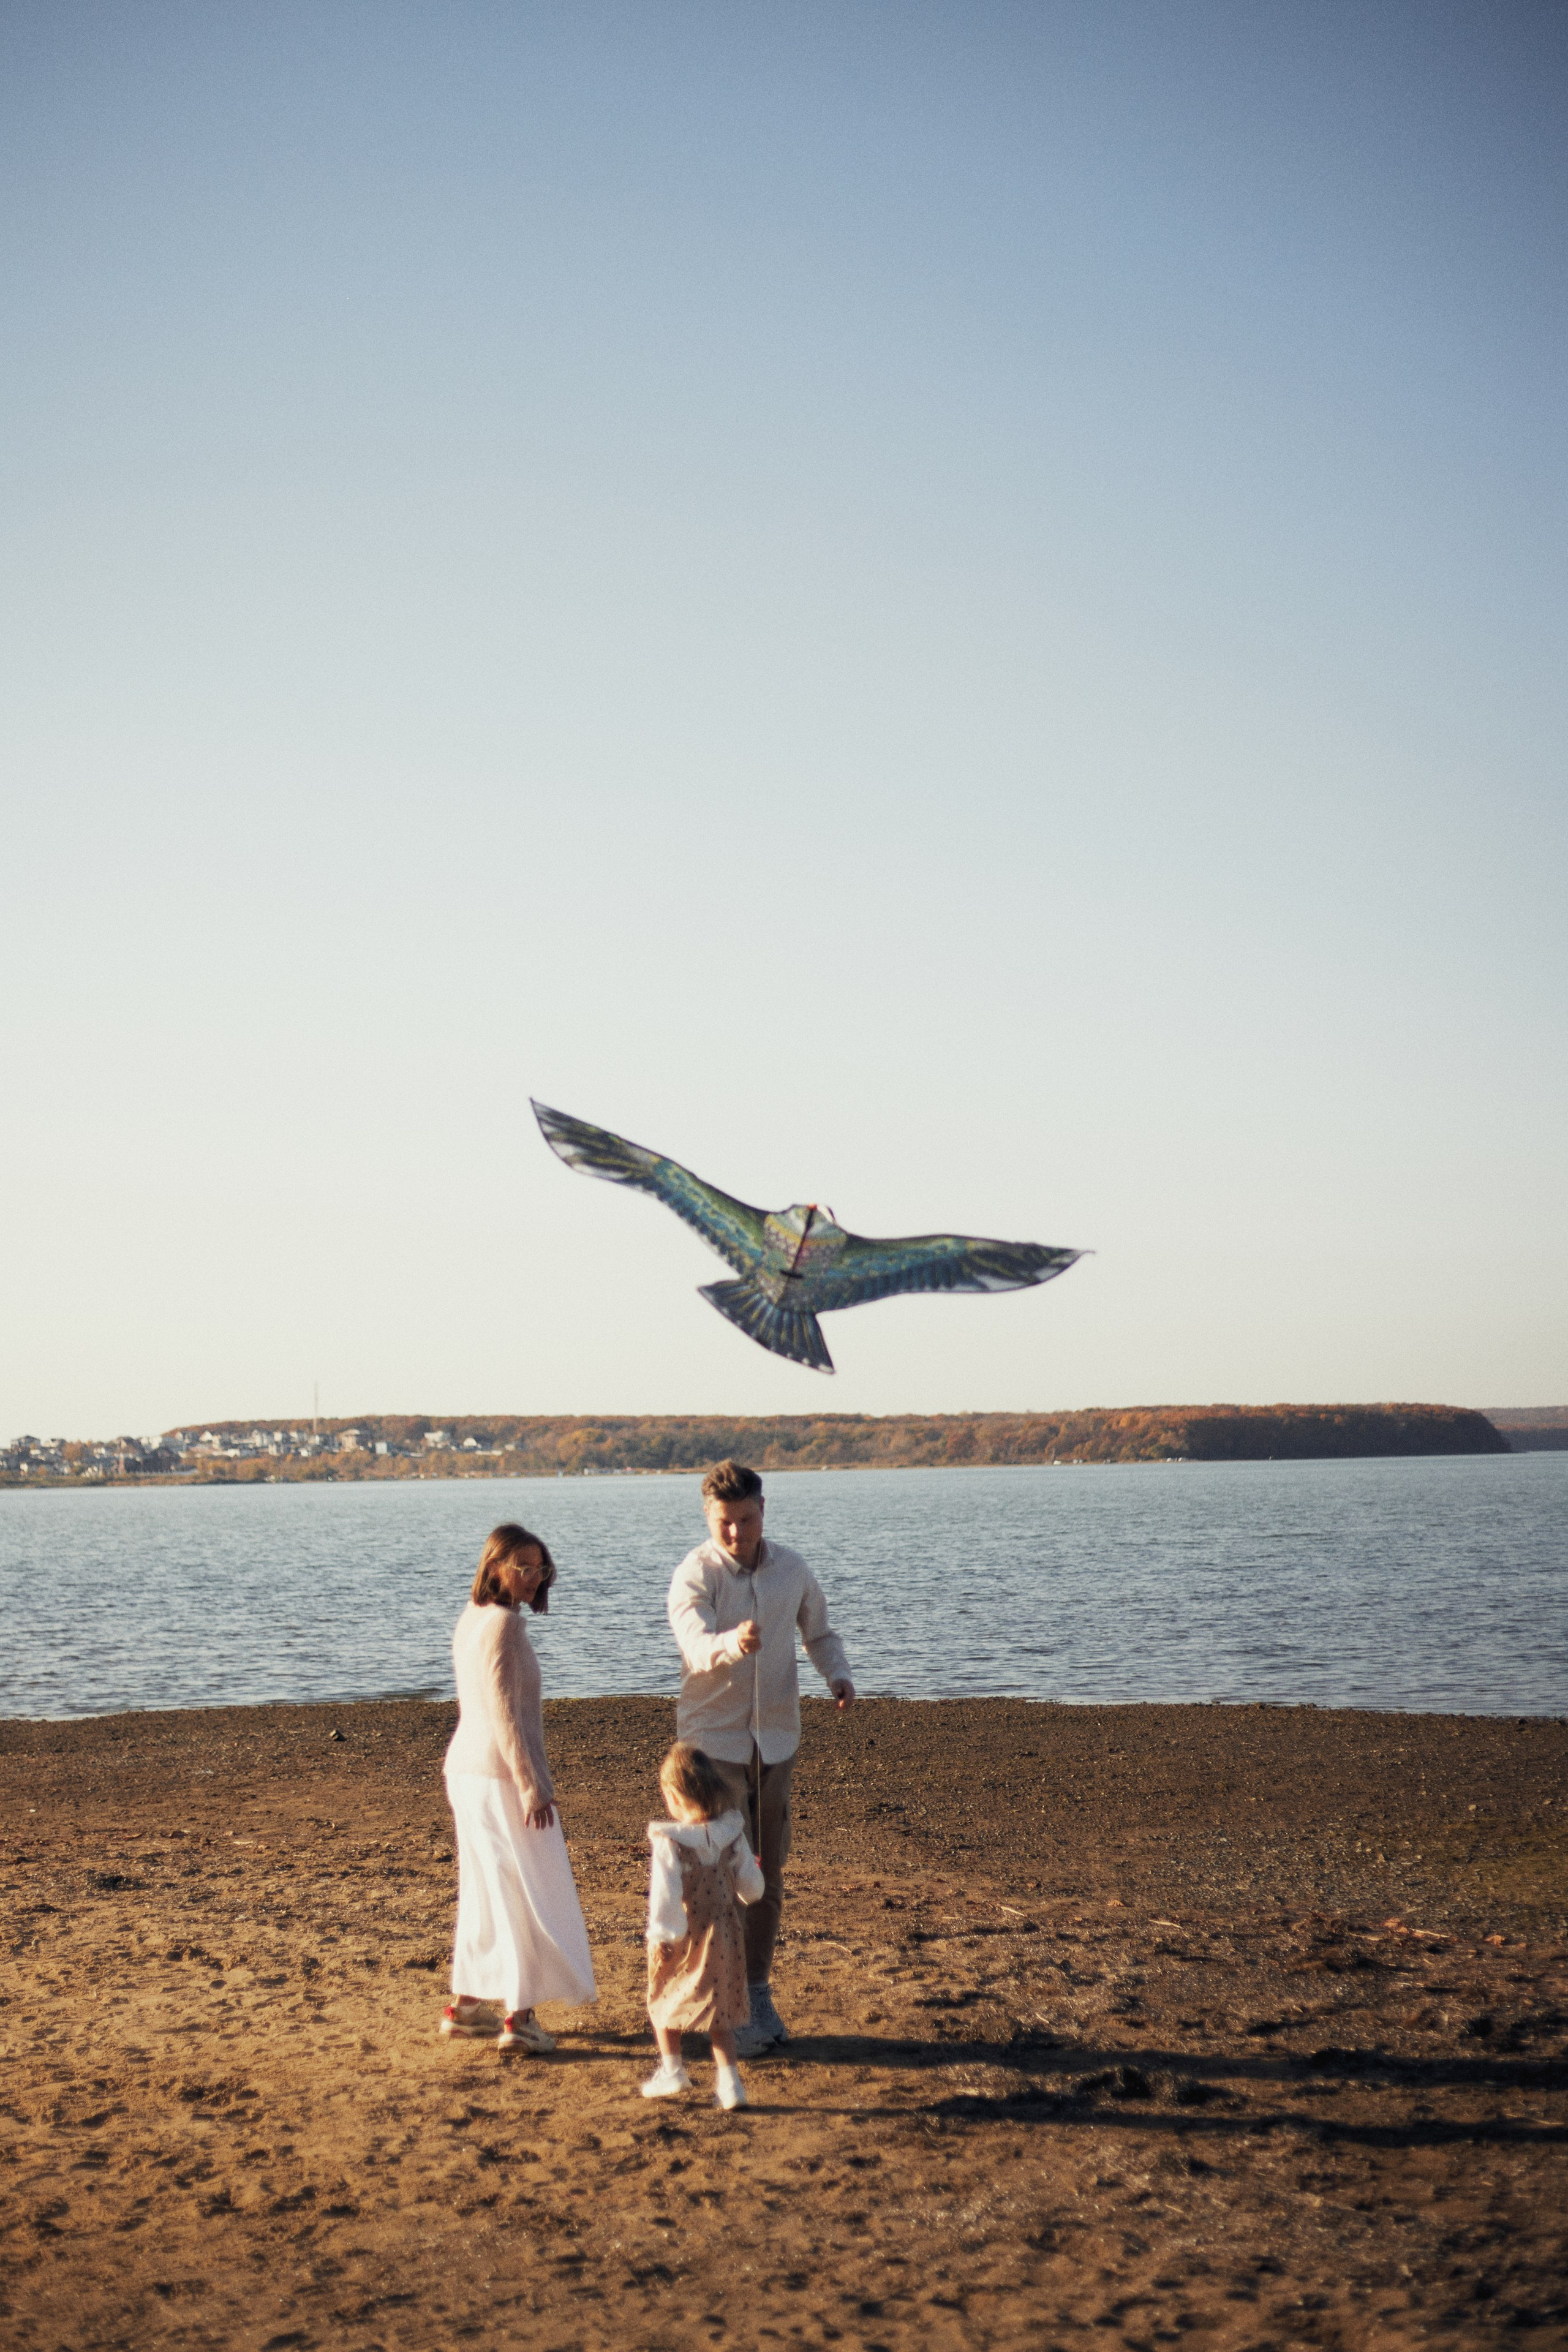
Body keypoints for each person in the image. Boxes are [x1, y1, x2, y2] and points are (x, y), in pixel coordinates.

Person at [666, 1458, 854, 2057]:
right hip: (712, 1748)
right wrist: (733, 1643)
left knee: (767, 1875)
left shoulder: (791, 1569)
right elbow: (694, 1644)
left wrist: (838, 1674)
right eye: (724, 1521)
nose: (735, 1533)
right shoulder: (694, 1574)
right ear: (708, 1516)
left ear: (763, 1511)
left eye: (745, 1520)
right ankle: (726, 2009)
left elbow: (818, 1632)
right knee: (724, 1879)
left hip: (775, 1741)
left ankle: (757, 1991)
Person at [440, 1522, 596, 2053]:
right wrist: (532, 1784)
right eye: (522, 1568)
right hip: (499, 1774)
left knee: (486, 1887)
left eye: (540, 1568)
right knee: (527, 1891)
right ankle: (520, 2017)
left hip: (467, 1769)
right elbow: (505, 1713)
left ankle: (466, 2008)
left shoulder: (473, 1616)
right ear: (495, 1568)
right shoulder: (504, 1625)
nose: (533, 1577)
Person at [641, 1740, 765, 2110]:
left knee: (663, 1997)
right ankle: (731, 2085)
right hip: (724, 1934)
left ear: (674, 1796)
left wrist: (663, 1935)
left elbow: (665, 1893)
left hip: (684, 1934)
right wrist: (752, 1876)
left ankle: (672, 2069)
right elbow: (753, 1890)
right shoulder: (733, 1834)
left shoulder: (671, 1842)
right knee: (720, 2010)